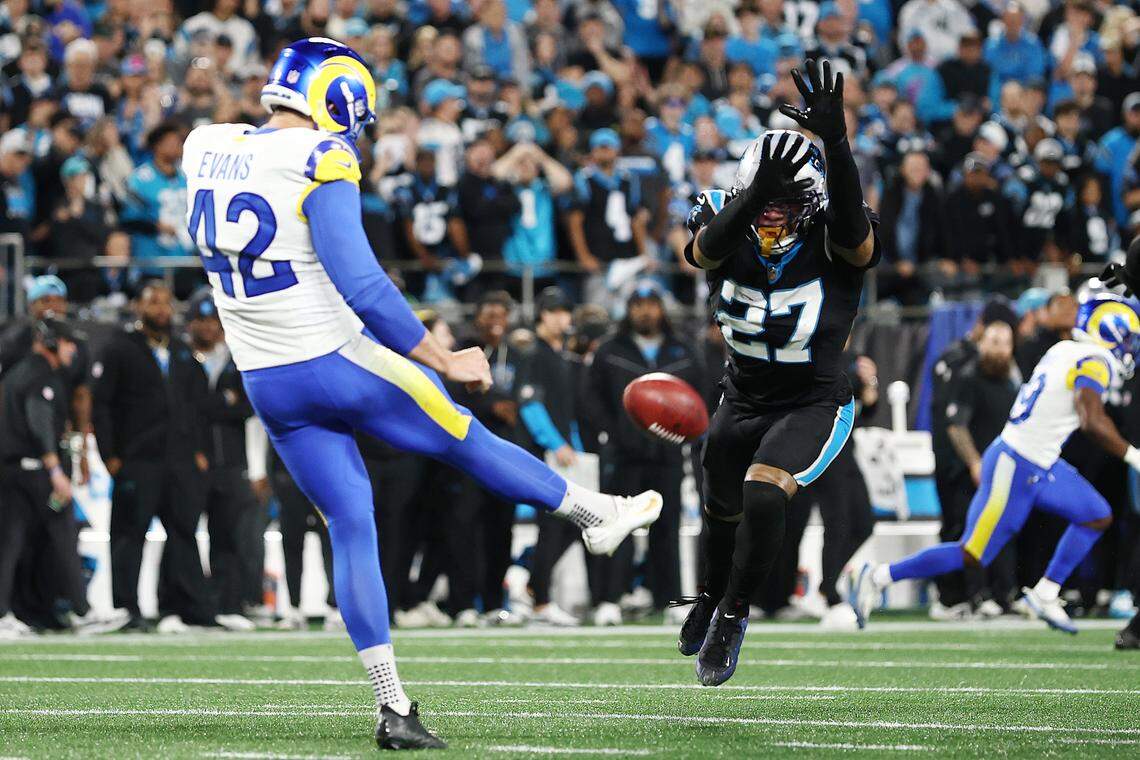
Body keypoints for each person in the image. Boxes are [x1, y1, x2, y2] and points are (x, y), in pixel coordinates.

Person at [181, 38, 662, 749]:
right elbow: (365, 283)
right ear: (336, 101)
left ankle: (393, 704)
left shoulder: (204, 145)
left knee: (352, 524)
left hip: (267, 381)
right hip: (336, 358)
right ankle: (594, 514)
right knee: (464, 437)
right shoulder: (321, 158)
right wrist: (441, 354)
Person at [676, 59, 879, 686]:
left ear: (811, 202)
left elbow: (858, 240)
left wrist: (836, 145)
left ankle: (734, 614)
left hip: (813, 401)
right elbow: (701, 252)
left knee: (764, 491)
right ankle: (708, 596)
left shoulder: (833, 230)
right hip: (741, 397)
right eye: (764, 202)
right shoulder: (726, 220)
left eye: (787, 204)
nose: (772, 217)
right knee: (719, 508)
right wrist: (756, 194)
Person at [852, 294, 1140, 635]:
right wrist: (1134, 455)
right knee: (972, 553)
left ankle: (1046, 592)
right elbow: (1091, 419)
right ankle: (877, 576)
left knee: (1095, 514)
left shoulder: (1065, 349)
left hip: (1039, 463)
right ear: (1113, 333)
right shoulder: (1095, 360)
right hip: (1016, 463)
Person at [92, 282, 215, 633]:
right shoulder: (119, 348)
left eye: (166, 303)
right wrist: (110, 455)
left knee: (184, 533)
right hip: (137, 459)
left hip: (178, 461)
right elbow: (102, 406)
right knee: (130, 535)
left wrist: (199, 451)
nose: (161, 309)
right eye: (154, 302)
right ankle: (127, 608)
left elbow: (197, 408)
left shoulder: (181, 351)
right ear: (138, 307)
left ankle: (185, 608)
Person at [583, 280, 702, 626]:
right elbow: (590, 399)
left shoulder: (683, 350)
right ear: (628, 309)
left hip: (667, 454)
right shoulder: (609, 350)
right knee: (616, 525)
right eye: (638, 304)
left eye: (651, 304)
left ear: (662, 309)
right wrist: (612, 433)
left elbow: (703, 397)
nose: (645, 311)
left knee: (667, 527)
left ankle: (669, 600)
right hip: (624, 454)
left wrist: (688, 436)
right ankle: (608, 599)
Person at [0, 318, 128, 637]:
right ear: (53, 342)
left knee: (13, 544)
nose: (73, 350)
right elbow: (39, 421)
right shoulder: (41, 375)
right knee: (61, 534)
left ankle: (6, 613)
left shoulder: (19, 372)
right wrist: (55, 470)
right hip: (35, 472)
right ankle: (82, 611)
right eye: (69, 343)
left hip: (15, 470)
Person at [186, 289, 259, 632]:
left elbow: (247, 406)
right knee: (183, 535)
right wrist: (222, 402)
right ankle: (191, 606)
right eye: (201, 320)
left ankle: (229, 603)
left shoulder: (239, 358)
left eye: (213, 321)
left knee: (228, 535)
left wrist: (212, 404)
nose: (208, 328)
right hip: (193, 463)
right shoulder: (182, 358)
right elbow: (186, 410)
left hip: (230, 462)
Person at [937, 321, 1021, 617]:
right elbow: (956, 426)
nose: (999, 349)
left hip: (1004, 469)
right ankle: (976, 594)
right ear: (982, 343)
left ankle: (1004, 595)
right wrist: (974, 462)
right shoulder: (969, 377)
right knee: (973, 533)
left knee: (1004, 531)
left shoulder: (1012, 381)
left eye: (1005, 342)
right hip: (970, 472)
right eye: (994, 341)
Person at [518, 287, 586, 627]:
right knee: (553, 525)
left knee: (574, 524)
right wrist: (556, 442)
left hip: (565, 453)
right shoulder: (534, 353)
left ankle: (529, 578)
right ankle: (540, 598)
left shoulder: (561, 355)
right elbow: (530, 404)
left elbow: (567, 409)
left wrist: (571, 443)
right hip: (546, 453)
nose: (563, 318)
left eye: (565, 311)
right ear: (543, 315)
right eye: (556, 311)